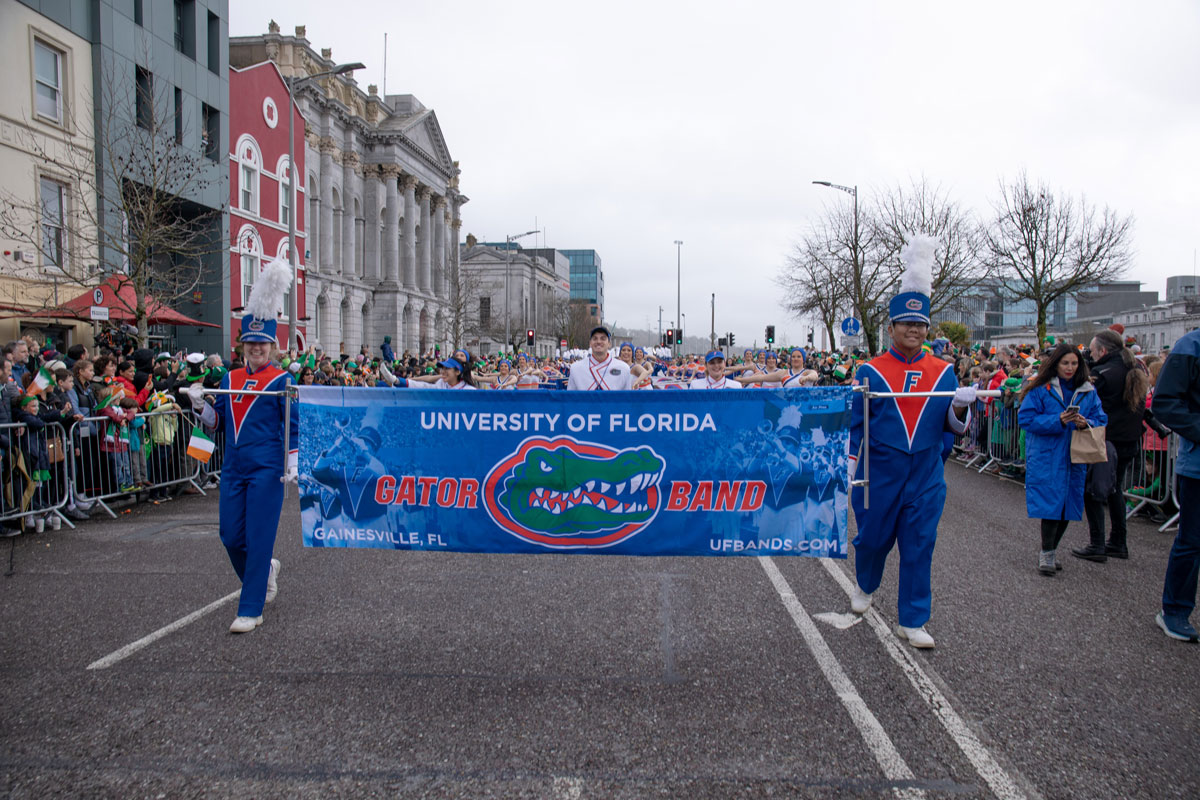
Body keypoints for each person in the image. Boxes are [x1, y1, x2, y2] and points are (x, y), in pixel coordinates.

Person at [846, 235, 974, 649]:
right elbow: (855, 423)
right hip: (879, 473)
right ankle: (865, 585)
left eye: (920, 324)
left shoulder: (944, 371)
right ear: (891, 327)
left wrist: (961, 408)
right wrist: (850, 464)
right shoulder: (870, 369)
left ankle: (913, 619)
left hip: (925, 473)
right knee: (872, 539)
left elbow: (952, 429)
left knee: (920, 544)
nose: (914, 330)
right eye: (907, 324)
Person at [191, 257, 298, 634]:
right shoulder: (229, 376)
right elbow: (218, 423)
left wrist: (293, 460)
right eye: (251, 342)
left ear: (272, 346)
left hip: (268, 467)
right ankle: (266, 570)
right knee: (230, 535)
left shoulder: (283, 379)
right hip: (234, 466)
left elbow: (294, 426)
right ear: (242, 345)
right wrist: (200, 405)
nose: (257, 348)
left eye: (263, 343)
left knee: (258, 535)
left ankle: (251, 608)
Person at [1018, 345, 1106, 576]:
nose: (1069, 368)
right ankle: (1047, 552)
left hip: (1075, 454)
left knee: (1068, 504)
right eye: (1065, 363)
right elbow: (1026, 419)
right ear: (1056, 363)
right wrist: (1057, 420)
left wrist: (1084, 422)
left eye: (1074, 363)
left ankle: (1051, 550)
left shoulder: (1088, 390)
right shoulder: (1039, 388)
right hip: (1048, 454)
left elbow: (1100, 418)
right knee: (1050, 505)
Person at [1075, 329, 1148, 562]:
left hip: (1106, 439)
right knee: (1115, 489)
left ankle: (1097, 544)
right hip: (1129, 439)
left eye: (1093, 350)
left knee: (1094, 489)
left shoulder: (1104, 373)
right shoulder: (1135, 369)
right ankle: (1118, 541)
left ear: (1103, 351)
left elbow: (1086, 400)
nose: (1092, 354)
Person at [1150, 328, 1200, 642]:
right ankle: (1175, 611)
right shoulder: (1190, 346)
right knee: (1192, 542)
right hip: (1197, 469)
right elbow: (1165, 403)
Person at [567, 327, 632, 391]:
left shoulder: (624, 368)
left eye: (603, 339)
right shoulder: (575, 368)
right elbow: (570, 399)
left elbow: (627, 399)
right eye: (595, 339)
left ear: (609, 344)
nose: (598, 341)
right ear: (590, 343)